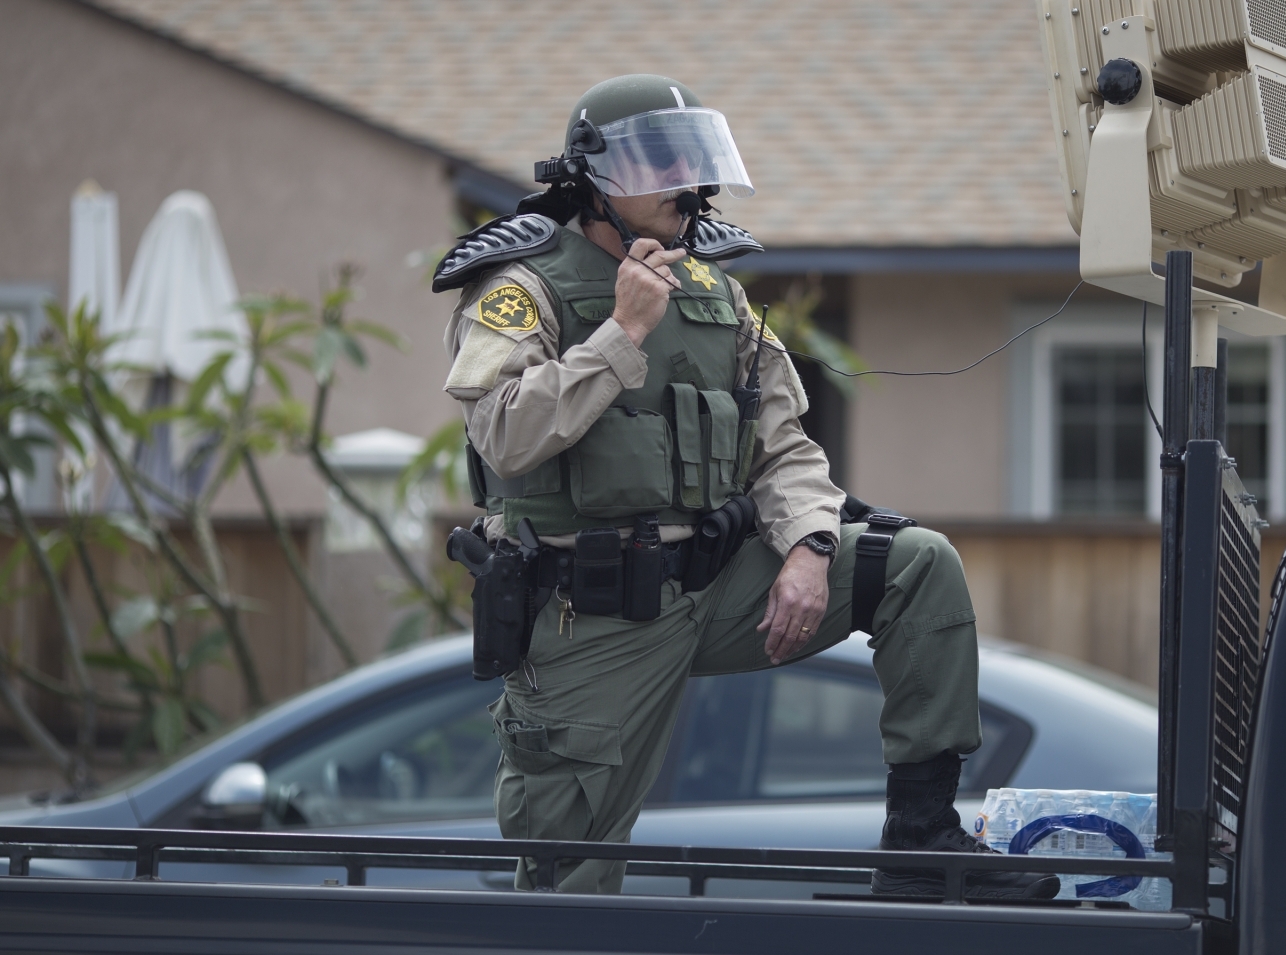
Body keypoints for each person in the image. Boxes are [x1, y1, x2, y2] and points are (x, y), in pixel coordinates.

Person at [435, 74, 1057, 900]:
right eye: (663, 163)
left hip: (716, 586)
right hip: (590, 617)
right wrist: (621, 333)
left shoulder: (716, 292)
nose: (691, 186)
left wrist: (808, 545)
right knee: (567, 883)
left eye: (694, 161)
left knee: (914, 565)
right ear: (594, 177)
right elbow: (506, 436)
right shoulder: (523, 286)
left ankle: (920, 839)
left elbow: (786, 444)